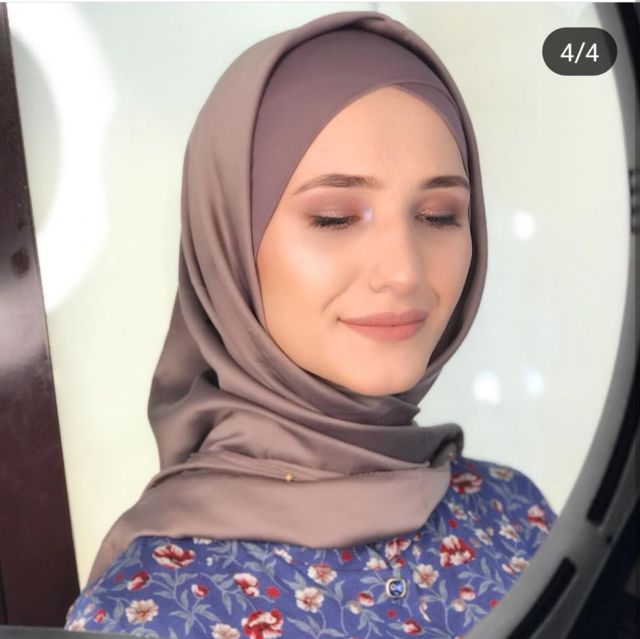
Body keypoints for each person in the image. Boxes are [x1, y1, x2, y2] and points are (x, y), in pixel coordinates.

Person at [63, 10, 556, 638]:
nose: (403, 271)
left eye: (438, 215)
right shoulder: (150, 611)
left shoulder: (517, 515)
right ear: (229, 245)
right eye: (333, 218)